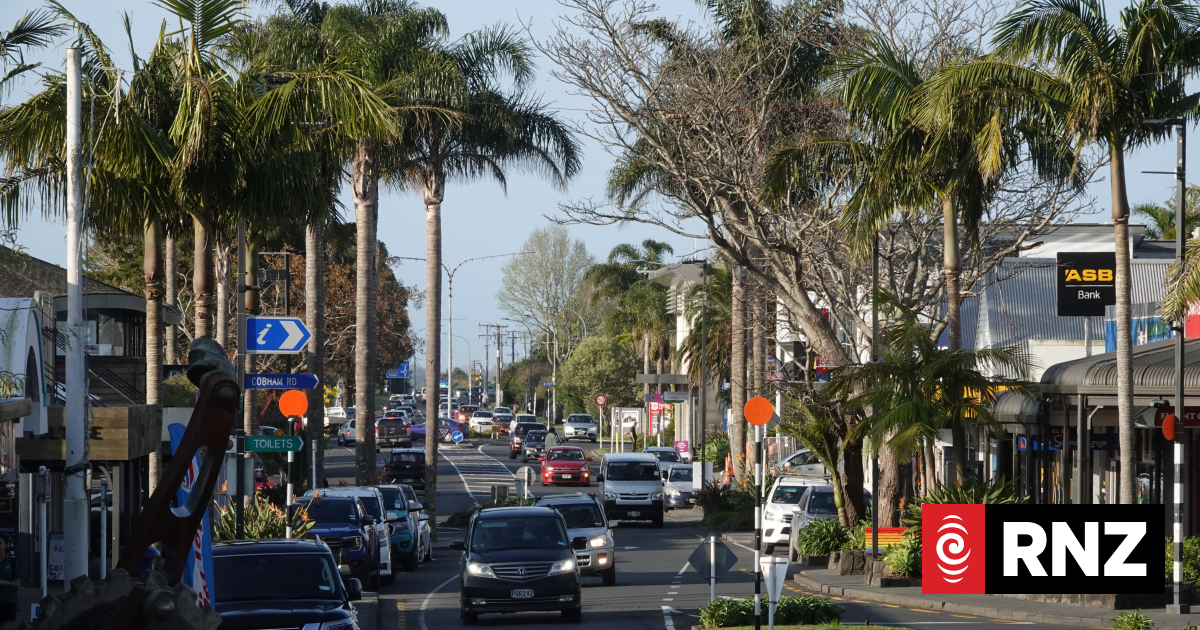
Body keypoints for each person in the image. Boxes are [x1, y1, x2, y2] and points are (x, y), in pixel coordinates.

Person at [0, 533, 20, 628]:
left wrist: (3, 582)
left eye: (0, 543)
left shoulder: (12, 562)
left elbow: (17, 584)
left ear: (6, 545)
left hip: (6, 602)